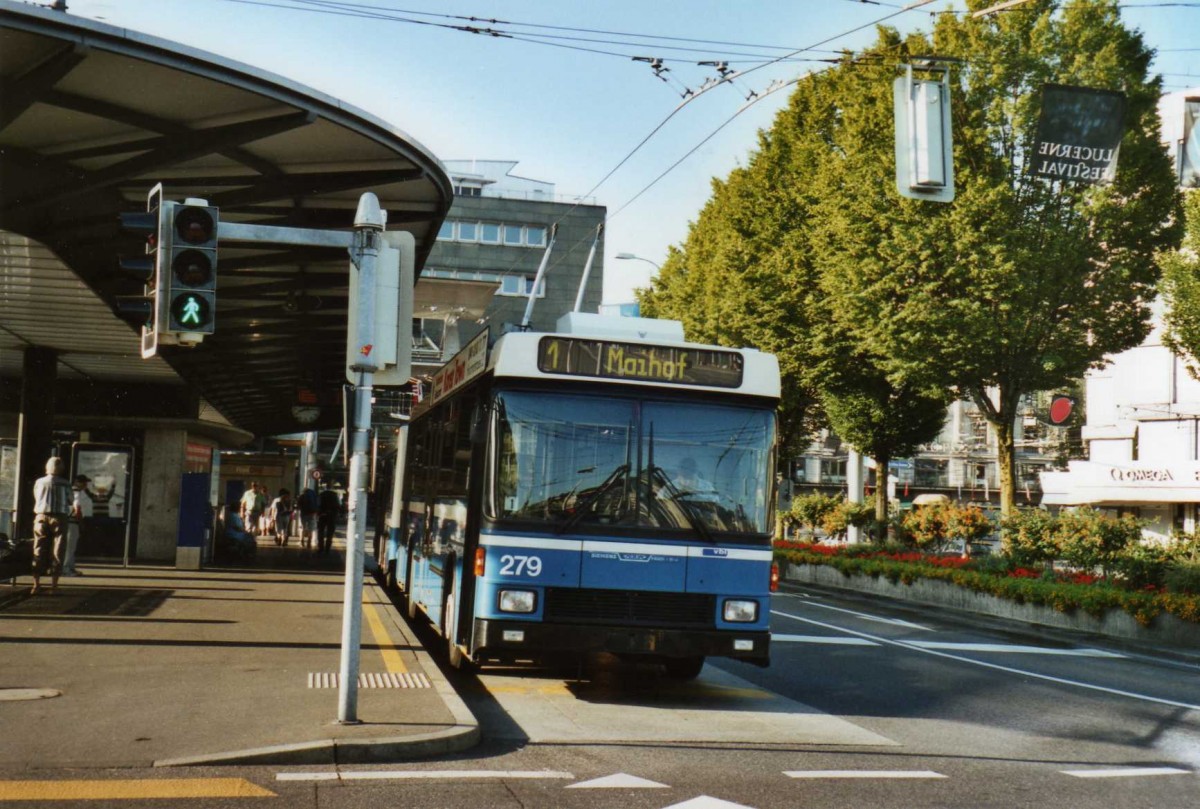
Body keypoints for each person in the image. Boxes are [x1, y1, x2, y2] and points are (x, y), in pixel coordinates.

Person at [31, 457, 72, 595]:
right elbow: (70, 499)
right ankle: (54, 585)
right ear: (61, 469)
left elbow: (36, 497)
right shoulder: (65, 484)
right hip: (59, 517)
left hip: (41, 516)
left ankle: (36, 584)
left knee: (39, 547)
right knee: (58, 549)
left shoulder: (39, 482)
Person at [63, 473, 94, 577]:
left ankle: (70, 568)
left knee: (70, 546)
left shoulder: (70, 491)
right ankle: (66, 569)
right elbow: (77, 508)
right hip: (72, 521)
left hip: (67, 520)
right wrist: (81, 522)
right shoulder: (76, 492)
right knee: (70, 547)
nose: (85, 485)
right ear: (77, 482)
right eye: (84, 482)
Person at [317, 482, 340, 555]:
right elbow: (338, 506)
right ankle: (327, 549)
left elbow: (318, 505)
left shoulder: (321, 495)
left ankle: (321, 548)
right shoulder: (335, 495)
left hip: (322, 516)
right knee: (330, 533)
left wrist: (320, 513)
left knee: (320, 532)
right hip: (332, 516)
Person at [297, 485, 318, 550]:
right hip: (312, 514)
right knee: (310, 529)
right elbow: (317, 504)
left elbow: (298, 505)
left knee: (302, 527)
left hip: (303, 514)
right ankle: (309, 542)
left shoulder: (301, 496)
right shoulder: (314, 496)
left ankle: (302, 541)